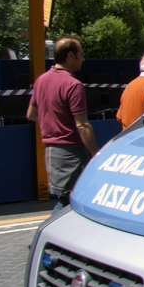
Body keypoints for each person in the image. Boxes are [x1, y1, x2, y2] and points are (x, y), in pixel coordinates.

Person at [27, 37, 98, 211]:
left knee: (67, 198)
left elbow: (31, 114)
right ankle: (50, 233)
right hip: (71, 153)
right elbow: (82, 125)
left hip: (52, 152)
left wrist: (53, 125)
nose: (83, 59)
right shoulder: (73, 85)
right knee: (71, 202)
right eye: (81, 55)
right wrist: (96, 155)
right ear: (70, 56)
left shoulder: (41, 80)